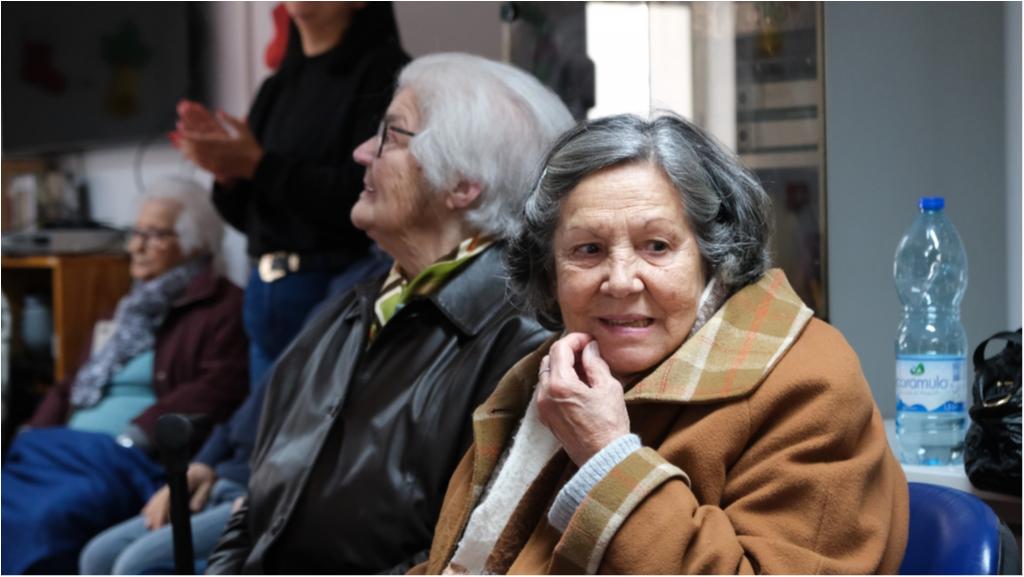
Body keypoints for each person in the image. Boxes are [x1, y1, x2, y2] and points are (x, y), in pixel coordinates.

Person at [413, 113, 910, 575]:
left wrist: (607, 455)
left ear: (714, 258)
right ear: (550, 273)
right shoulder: (548, 375)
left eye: (656, 246)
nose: (621, 281)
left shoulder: (810, 381)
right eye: (588, 250)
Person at [204, 53, 575, 574]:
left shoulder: (524, 341)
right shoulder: (349, 308)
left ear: (462, 183)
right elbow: (260, 500)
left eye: (391, 137)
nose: (361, 152)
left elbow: (469, 551)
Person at [1, 178, 249, 575]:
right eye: (136, 233)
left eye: (154, 235)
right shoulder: (127, 308)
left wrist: (135, 436)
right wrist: (34, 432)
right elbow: (73, 382)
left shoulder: (224, 307)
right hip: (58, 453)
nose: (136, 247)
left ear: (195, 243)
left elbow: (217, 388)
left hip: (125, 459)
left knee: (45, 520)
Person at [175, 2, 408, 384]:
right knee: (265, 420)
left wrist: (257, 164)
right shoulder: (277, 85)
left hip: (337, 285)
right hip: (263, 289)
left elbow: (365, 197)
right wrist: (228, 173)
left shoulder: (385, 72)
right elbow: (252, 218)